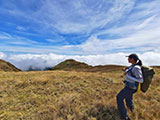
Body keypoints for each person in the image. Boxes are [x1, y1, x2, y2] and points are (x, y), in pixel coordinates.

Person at [116, 54, 143, 120]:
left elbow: (141, 80)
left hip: (131, 87)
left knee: (119, 98)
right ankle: (132, 111)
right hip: (129, 86)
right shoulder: (132, 66)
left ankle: (125, 117)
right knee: (128, 99)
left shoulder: (136, 68)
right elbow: (130, 72)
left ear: (132, 59)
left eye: (129, 58)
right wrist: (125, 71)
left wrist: (129, 77)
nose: (127, 59)